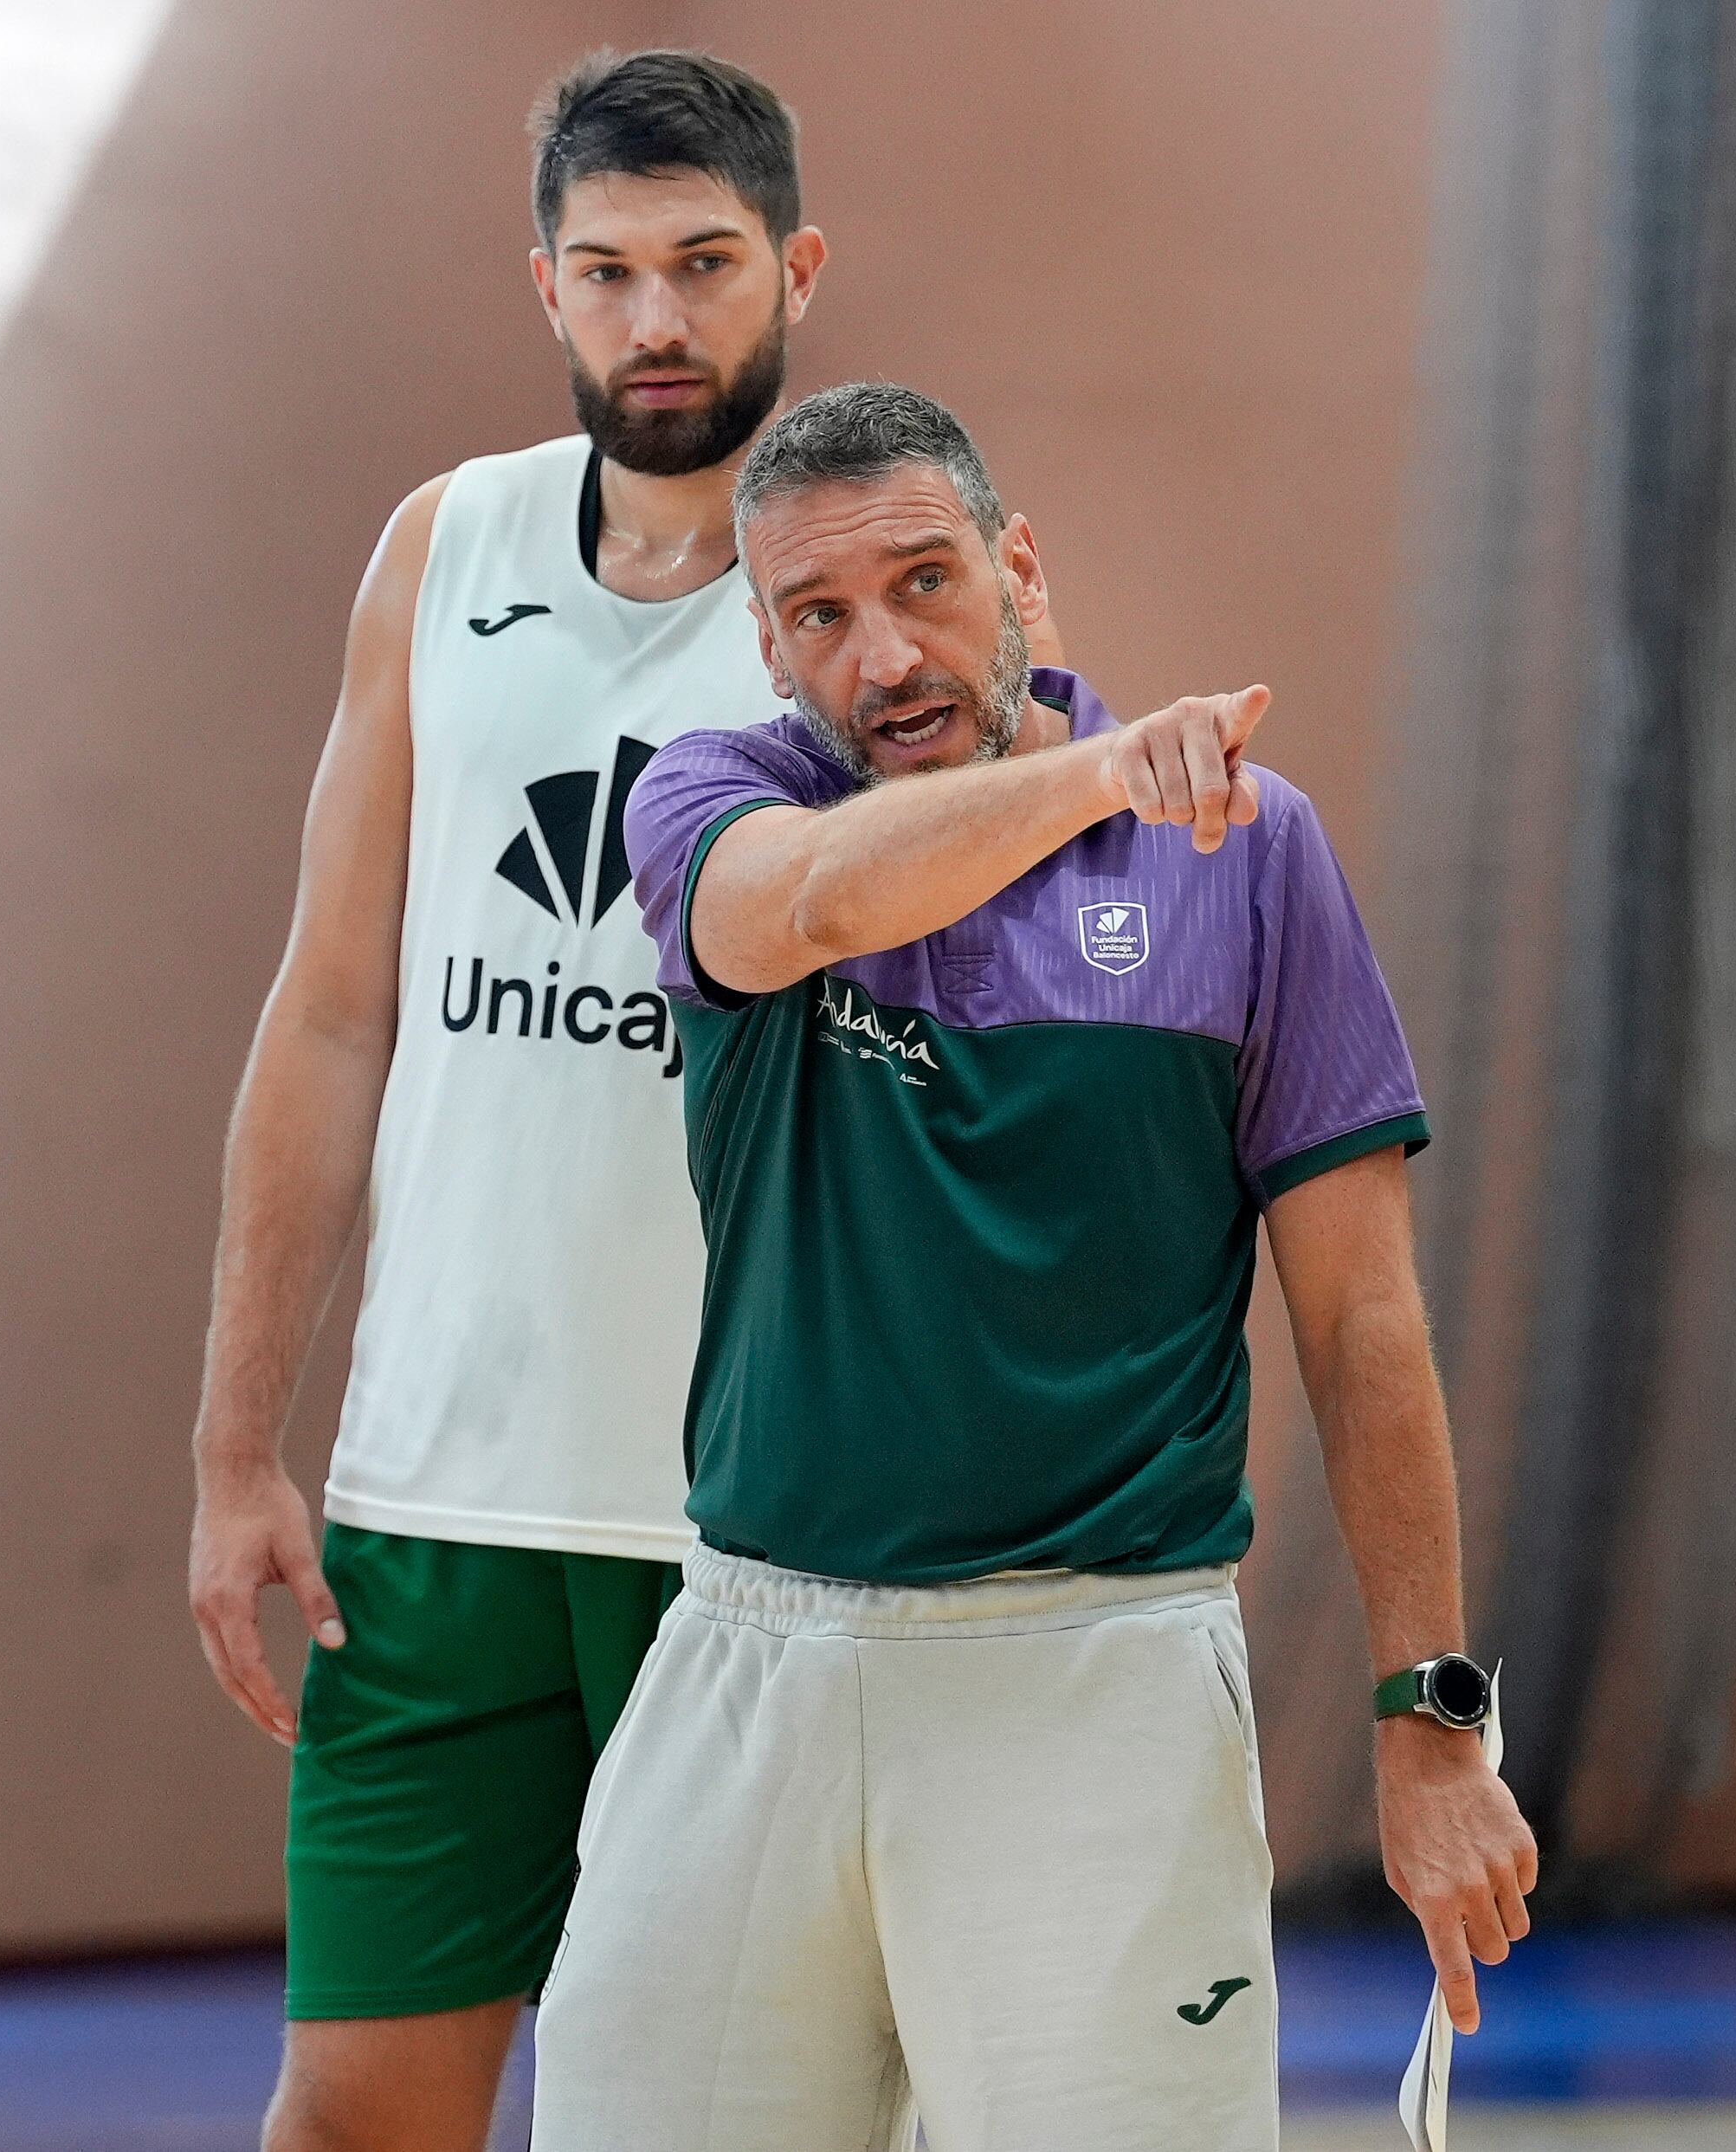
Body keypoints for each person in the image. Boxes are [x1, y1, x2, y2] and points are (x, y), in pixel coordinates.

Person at [184, 57, 1057, 2152]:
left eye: (704, 265)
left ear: (797, 270)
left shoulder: (870, 599)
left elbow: (1011, 1010)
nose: (657, 321)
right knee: (352, 2121)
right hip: (438, 1511)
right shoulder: (446, 544)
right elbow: (326, 1013)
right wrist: (236, 1443)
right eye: (609, 273)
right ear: (548, 290)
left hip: (756, 1529)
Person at [531, 383, 1538, 2152]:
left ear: (1015, 568)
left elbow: (1364, 1321)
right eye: (821, 618)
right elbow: (816, 907)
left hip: (1099, 1674)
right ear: (765, 647)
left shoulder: (1247, 852)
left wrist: (1429, 1718)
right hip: (750, 1664)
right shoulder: (714, 803)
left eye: (926, 583)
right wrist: (1093, 770)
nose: (886, 654)